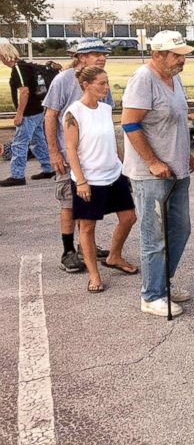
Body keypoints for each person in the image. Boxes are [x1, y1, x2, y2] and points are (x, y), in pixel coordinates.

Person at [122, 30, 194, 318]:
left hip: (176, 170)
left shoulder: (174, 78)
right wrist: (152, 161)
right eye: (176, 55)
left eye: (183, 55)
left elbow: (175, 120)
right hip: (150, 174)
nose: (182, 60)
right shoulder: (144, 79)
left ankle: (162, 282)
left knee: (180, 228)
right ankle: (152, 295)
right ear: (157, 55)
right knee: (154, 236)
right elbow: (129, 125)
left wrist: (184, 152)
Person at [63, 65, 138, 293]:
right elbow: (71, 148)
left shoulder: (106, 109)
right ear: (86, 85)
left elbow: (112, 142)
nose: (106, 87)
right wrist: (81, 181)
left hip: (114, 174)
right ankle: (94, 275)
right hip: (89, 179)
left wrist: (125, 168)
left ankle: (114, 256)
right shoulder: (73, 113)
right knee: (87, 228)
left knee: (129, 218)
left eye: (107, 82)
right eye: (101, 83)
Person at [43, 38, 114, 272]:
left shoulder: (101, 80)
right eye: (95, 53)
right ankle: (68, 251)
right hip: (68, 154)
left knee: (90, 205)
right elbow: (51, 116)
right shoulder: (63, 80)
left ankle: (87, 247)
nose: (102, 57)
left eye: (103, 53)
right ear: (81, 57)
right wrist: (54, 152)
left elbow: (106, 114)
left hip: (95, 158)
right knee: (68, 203)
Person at [0, 39, 54, 187]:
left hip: (28, 112)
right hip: (38, 109)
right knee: (38, 140)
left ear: (5, 56)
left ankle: (17, 175)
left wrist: (19, 114)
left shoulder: (18, 68)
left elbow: (24, 92)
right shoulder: (27, 65)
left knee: (19, 143)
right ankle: (48, 168)